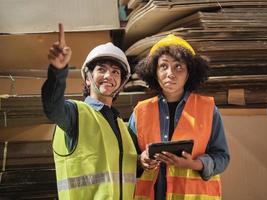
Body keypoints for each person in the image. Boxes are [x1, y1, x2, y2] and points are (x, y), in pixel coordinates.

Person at [128, 34, 230, 200]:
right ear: (154, 72)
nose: (171, 74)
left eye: (178, 67)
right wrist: (141, 160)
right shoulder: (140, 111)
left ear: (189, 73)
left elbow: (222, 157)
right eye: (163, 66)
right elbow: (128, 158)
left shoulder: (208, 109)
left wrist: (195, 164)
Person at [42, 23, 137, 200]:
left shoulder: (121, 126)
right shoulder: (75, 114)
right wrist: (57, 71)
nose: (109, 76)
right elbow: (52, 107)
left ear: (121, 83)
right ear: (87, 79)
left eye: (115, 72)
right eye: (101, 69)